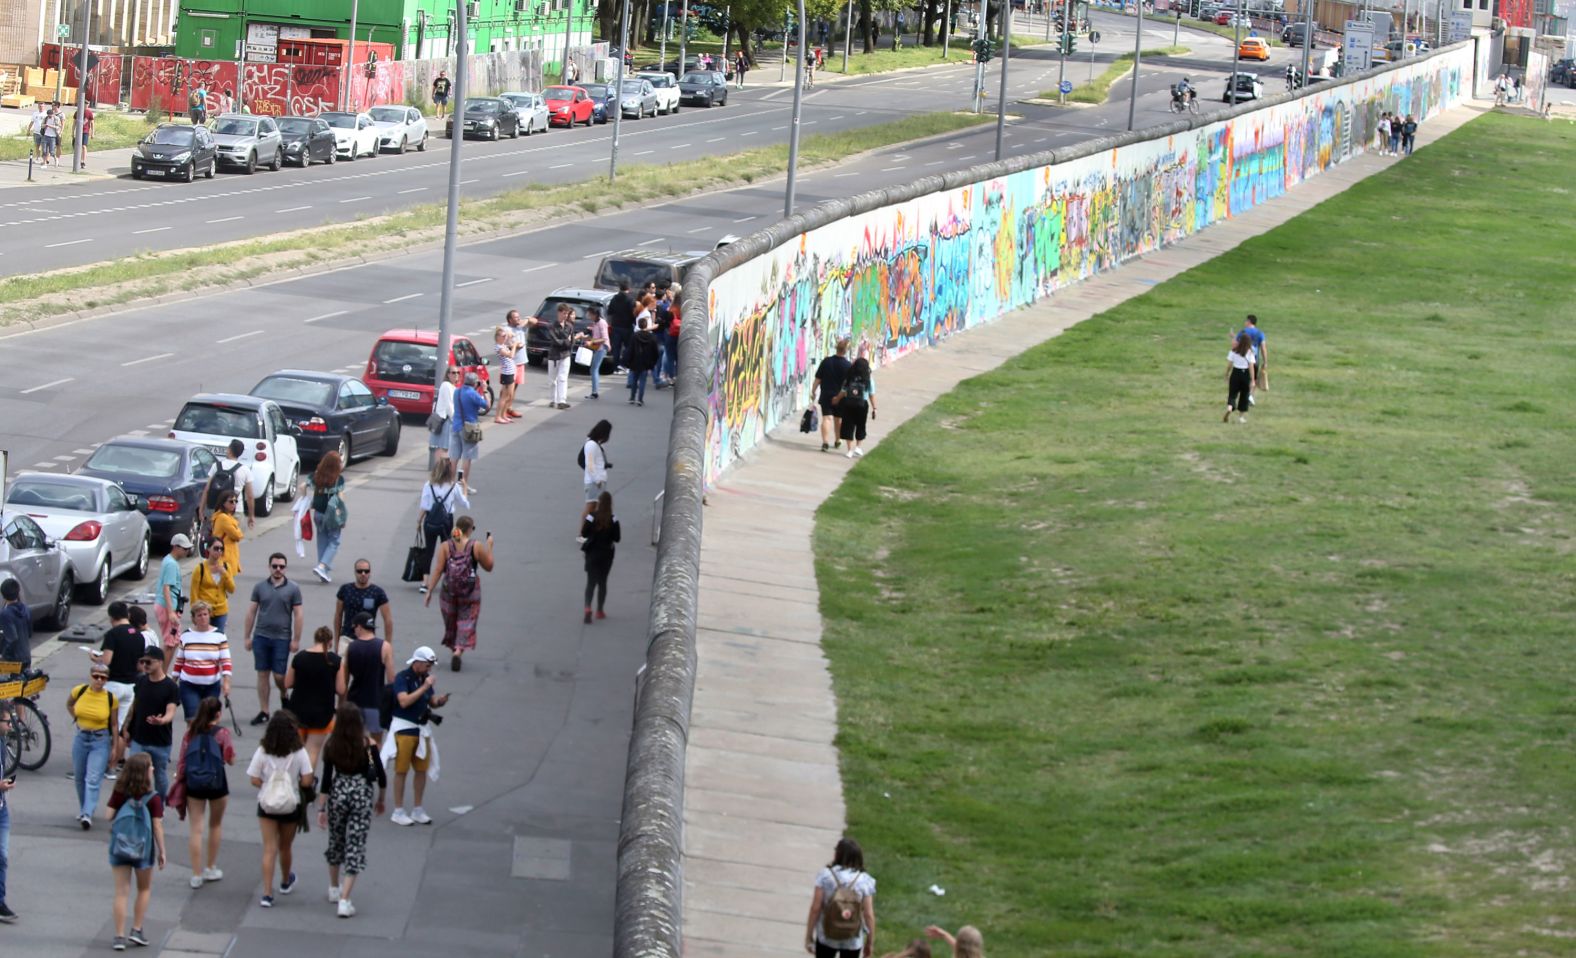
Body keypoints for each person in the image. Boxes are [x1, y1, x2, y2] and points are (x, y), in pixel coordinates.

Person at [317, 704, 386, 916]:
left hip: (338, 792)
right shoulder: (368, 745)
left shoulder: (331, 746)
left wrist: (322, 808)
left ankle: (333, 888)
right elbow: (379, 776)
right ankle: (345, 901)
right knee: (355, 844)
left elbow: (327, 779)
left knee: (336, 839)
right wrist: (381, 798)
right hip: (360, 795)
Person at [246, 711, 314, 908]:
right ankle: (285, 881)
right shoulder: (299, 752)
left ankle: (267, 893)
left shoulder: (263, 750)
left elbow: (254, 778)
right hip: (290, 805)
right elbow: (307, 779)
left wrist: (268, 786)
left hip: (267, 804)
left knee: (269, 848)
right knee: (285, 846)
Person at [172, 696, 234, 890]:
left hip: (194, 784)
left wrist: (179, 780)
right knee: (215, 825)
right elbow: (229, 758)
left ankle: (196, 874)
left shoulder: (191, 733)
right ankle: (210, 866)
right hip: (217, 782)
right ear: (217, 714)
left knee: (196, 829)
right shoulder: (222, 733)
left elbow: (182, 760)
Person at [106, 753, 165, 951]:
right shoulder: (154, 798)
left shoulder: (120, 790)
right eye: (150, 766)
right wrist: (162, 851)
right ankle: (137, 929)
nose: (153, 769)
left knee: (121, 892)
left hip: (120, 847)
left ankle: (119, 936)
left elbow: (108, 815)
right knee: (144, 889)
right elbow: (157, 827)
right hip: (143, 849)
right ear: (144, 771)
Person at [382, 646, 447, 826]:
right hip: (404, 730)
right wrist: (425, 687)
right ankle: (398, 810)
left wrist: (439, 701)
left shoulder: (424, 678)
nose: (429, 669)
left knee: (421, 770)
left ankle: (418, 809)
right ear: (417, 663)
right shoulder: (403, 678)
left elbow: (430, 701)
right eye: (427, 665)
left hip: (422, 729)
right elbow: (404, 701)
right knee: (401, 770)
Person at [424, 516, 495, 672]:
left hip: (449, 590)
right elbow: (489, 566)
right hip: (470, 591)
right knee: (467, 620)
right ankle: (458, 649)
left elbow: (438, 569)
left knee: (452, 619)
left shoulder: (445, 546)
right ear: (469, 530)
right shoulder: (476, 546)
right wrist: (489, 546)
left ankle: (454, 646)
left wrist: (429, 590)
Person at [244, 552, 304, 726]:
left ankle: (284, 694)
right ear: (269, 567)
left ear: (285, 568)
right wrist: (247, 636)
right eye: (275, 566)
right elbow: (251, 612)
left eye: (281, 566)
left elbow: (298, 614)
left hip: (282, 638)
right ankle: (264, 710)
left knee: (279, 675)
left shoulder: (293, 588)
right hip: (261, 636)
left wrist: (296, 639)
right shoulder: (260, 587)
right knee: (262, 674)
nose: (278, 569)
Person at [804, 838, 877, 958]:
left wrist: (809, 937)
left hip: (826, 936)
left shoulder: (825, 876)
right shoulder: (864, 880)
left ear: (837, 854)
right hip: (852, 939)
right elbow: (868, 914)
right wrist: (869, 943)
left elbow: (815, 908)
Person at [122, 648, 179, 801]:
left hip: (160, 741)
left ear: (160, 662)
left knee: (159, 774)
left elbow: (171, 709)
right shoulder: (141, 681)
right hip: (139, 738)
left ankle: (159, 804)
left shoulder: (170, 686)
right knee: (134, 773)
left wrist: (162, 720)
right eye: (142, 662)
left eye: (149, 662)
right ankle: (135, 802)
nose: (145, 665)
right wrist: (126, 728)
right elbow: (135, 706)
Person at [97, 602, 144, 778]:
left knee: (105, 727)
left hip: (113, 685)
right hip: (130, 686)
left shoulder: (112, 634)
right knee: (121, 728)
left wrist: (96, 658)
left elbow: (106, 661)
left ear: (111, 617)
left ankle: (101, 764)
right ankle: (113, 766)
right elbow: (140, 664)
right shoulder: (138, 635)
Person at [284, 626, 341, 771]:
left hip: (298, 709)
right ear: (329, 642)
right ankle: (307, 782)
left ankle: (294, 779)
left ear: (315, 639)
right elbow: (341, 689)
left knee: (296, 749)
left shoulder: (300, 657)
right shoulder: (335, 660)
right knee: (313, 750)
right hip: (322, 711)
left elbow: (287, 683)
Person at [69, 663, 118, 829]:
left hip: (100, 740)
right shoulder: (79, 691)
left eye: (102, 677)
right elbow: (70, 704)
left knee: (93, 778)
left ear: (107, 680)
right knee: (79, 776)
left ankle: (87, 814)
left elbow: (114, 725)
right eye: (96, 676)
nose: (98, 680)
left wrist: (115, 747)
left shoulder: (111, 698)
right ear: (90, 676)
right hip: (81, 737)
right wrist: (76, 716)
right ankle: (84, 808)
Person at [337, 613, 394, 746]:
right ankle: (372, 764)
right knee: (376, 741)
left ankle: (355, 764)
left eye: (354, 628)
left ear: (359, 627)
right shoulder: (384, 646)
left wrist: (341, 703)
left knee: (354, 739)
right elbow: (391, 679)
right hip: (375, 701)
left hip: (354, 701)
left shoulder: (351, 647)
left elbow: (344, 681)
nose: (354, 631)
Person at [171, 601, 233, 722]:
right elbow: (179, 662)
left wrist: (226, 682)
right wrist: (173, 682)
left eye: (205, 614)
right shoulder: (186, 636)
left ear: (209, 615)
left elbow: (226, 661)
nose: (203, 617)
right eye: (199, 615)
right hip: (189, 684)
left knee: (210, 721)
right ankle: (192, 741)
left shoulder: (219, 636)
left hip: (212, 685)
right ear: (194, 618)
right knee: (192, 720)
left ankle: (207, 741)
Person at [416, 459, 469, 595]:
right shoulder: (453, 486)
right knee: (449, 551)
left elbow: (424, 505)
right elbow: (464, 503)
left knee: (429, 551)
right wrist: (464, 486)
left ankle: (425, 582)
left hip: (430, 520)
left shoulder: (428, 485)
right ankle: (448, 580)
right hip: (447, 522)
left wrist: (419, 521)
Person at [301, 452, 347, 584]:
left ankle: (323, 571)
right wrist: (341, 515)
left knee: (322, 540)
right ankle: (322, 567)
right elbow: (340, 497)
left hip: (318, 514)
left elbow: (302, 486)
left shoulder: (315, 476)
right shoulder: (338, 479)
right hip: (331, 515)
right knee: (334, 541)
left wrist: (304, 499)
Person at [199, 440, 255, 536]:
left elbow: (207, 490)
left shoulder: (216, 466)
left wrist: (201, 510)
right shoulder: (245, 470)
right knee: (231, 540)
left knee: (214, 539)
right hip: (236, 511)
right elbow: (249, 496)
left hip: (216, 510)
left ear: (229, 450)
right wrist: (251, 515)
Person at [581, 492, 621, 624]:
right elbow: (617, 538)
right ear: (610, 504)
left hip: (592, 553)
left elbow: (584, 533)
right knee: (602, 582)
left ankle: (587, 608)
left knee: (591, 582)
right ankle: (599, 610)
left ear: (599, 502)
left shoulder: (591, 517)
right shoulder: (613, 518)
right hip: (606, 555)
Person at [335, 560, 392, 647]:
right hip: (346, 638)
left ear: (370, 572)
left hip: (368, 640)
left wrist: (388, 644)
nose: (363, 574)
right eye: (359, 571)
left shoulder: (377, 592)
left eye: (366, 571)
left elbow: (387, 619)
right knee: (343, 661)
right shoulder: (345, 589)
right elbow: (338, 616)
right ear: (355, 572)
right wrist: (337, 641)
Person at [449, 372, 489, 496]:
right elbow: (487, 406)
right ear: (475, 383)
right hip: (469, 428)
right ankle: (463, 485)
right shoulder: (473, 394)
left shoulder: (458, 391)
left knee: (454, 457)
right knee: (467, 457)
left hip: (455, 426)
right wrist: (485, 390)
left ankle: (450, 485)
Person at [812, 338, 852, 452]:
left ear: (837, 348)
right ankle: (838, 440)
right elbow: (849, 384)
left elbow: (818, 379)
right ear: (846, 351)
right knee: (838, 419)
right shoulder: (848, 366)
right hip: (840, 396)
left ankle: (825, 442)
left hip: (826, 395)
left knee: (826, 418)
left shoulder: (826, 361)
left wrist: (813, 391)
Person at [155, 533, 193, 651]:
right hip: (167, 607)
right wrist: (171, 612)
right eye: (185, 548)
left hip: (166, 606)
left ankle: (162, 669)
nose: (187, 551)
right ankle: (162, 670)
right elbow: (166, 588)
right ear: (176, 547)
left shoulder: (169, 560)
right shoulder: (171, 564)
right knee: (170, 643)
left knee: (174, 641)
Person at [190, 538, 235, 633]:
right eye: (216, 548)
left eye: (221, 549)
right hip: (204, 611)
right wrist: (194, 613)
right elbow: (194, 593)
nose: (219, 551)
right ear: (208, 549)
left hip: (221, 611)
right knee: (204, 637)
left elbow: (231, 589)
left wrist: (224, 574)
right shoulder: (200, 569)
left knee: (218, 638)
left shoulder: (226, 567)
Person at [545, 304, 585, 410]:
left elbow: (572, 342)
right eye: (564, 313)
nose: (565, 316)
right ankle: (553, 399)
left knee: (563, 378)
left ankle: (562, 401)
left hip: (565, 355)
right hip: (554, 356)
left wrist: (566, 341)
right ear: (558, 313)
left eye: (567, 314)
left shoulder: (569, 326)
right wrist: (566, 340)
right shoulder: (552, 326)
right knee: (553, 380)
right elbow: (555, 342)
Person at [836, 357, 876, 459]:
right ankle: (858, 447)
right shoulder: (868, 379)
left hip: (849, 404)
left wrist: (837, 398)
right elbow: (871, 394)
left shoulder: (849, 378)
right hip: (862, 405)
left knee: (848, 425)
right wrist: (874, 408)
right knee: (861, 425)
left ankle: (849, 450)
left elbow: (843, 391)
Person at [0, 709, 15, 923]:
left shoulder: (2, 745)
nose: (10, 726)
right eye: (6, 721)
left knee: (2, 856)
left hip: (1, 809)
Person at [429, 367, 459, 469]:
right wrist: (456, 421)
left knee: (443, 447)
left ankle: (439, 470)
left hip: (446, 421)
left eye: (458, 373)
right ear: (448, 374)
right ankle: (439, 471)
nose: (456, 375)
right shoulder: (446, 385)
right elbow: (449, 406)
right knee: (443, 448)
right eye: (453, 372)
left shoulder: (452, 386)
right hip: (445, 421)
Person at [626, 316, 660, 406]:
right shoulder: (652, 337)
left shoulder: (634, 336)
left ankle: (632, 397)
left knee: (634, 380)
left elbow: (630, 349)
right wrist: (653, 362)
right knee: (642, 381)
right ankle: (640, 399)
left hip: (635, 361)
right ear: (646, 325)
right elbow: (655, 352)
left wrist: (628, 361)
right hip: (646, 362)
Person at [211, 491, 244, 576]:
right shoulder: (223, 518)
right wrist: (238, 530)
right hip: (224, 558)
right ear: (223, 503)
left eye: (235, 501)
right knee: (224, 585)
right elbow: (237, 535)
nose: (234, 504)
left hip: (226, 557)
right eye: (231, 501)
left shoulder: (227, 517)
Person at [582, 420, 612, 513]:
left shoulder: (596, 444)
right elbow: (590, 464)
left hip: (596, 481)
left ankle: (589, 527)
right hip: (594, 482)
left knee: (594, 508)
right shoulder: (591, 445)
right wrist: (598, 480)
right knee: (590, 508)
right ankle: (585, 527)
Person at [0, 579, 30, 671]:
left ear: (3, 595)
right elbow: (30, 633)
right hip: (26, 656)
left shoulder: (5, 614)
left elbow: (12, 638)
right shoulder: (26, 609)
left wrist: (4, 655)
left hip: (13, 660)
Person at [493, 324, 520, 424]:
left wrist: (510, 336)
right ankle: (498, 416)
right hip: (506, 373)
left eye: (505, 336)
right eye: (503, 336)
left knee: (510, 395)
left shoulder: (503, 344)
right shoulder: (499, 347)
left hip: (511, 372)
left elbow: (510, 335)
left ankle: (503, 415)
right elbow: (511, 355)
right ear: (498, 337)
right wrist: (515, 346)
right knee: (504, 396)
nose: (505, 338)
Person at [1224, 331, 1253, 424]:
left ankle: (1229, 408)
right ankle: (1241, 417)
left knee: (1232, 394)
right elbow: (1251, 367)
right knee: (1244, 396)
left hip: (1235, 373)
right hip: (1245, 374)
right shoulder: (1249, 352)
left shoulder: (1234, 351)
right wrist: (1253, 379)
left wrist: (1226, 374)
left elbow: (1229, 365)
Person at [608, 281, 636, 370]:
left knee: (616, 348)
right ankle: (625, 364)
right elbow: (633, 313)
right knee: (628, 347)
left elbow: (610, 312)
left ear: (620, 288)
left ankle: (615, 366)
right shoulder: (630, 299)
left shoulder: (614, 298)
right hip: (627, 326)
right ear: (629, 289)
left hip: (616, 326)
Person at [585, 305, 610, 399]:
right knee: (593, 369)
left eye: (590, 314)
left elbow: (604, 338)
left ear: (595, 314)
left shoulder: (601, 323)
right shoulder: (595, 323)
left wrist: (591, 341)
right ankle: (594, 391)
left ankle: (595, 392)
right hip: (597, 347)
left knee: (594, 369)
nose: (589, 316)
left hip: (601, 348)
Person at [1241, 314, 1267, 390]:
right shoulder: (1260, 334)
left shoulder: (1243, 332)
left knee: (1243, 377)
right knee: (1253, 378)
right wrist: (1265, 362)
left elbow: (1236, 344)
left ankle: (1244, 394)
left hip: (1242, 358)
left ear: (1249, 321)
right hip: (1255, 358)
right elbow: (1263, 348)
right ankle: (1251, 395)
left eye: (1246, 321)